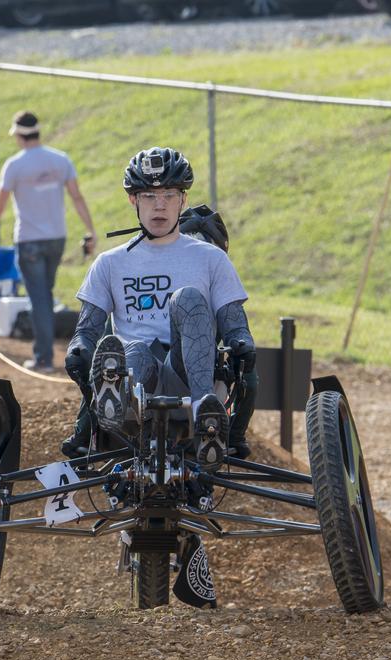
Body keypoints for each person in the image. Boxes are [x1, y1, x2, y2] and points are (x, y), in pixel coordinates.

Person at [62, 147, 257, 608]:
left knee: (189, 300)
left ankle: (204, 415)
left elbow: (235, 324)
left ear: (183, 199)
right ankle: (112, 401)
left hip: (191, 375)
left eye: (169, 194)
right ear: (133, 201)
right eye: (149, 196)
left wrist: (242, 342)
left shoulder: (209, 259)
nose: (160, 205)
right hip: (136, 383)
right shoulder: (110, 263)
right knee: (128, 348)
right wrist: (78, 351)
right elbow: (87, 331)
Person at [0, 111, 97, 373]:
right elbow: (77, 197)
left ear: (18, 135)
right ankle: (48, 351)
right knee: (44, 294)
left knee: (39, 298)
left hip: (29, 239)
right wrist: (90, 229)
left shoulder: (15, 164)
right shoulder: (60, 160)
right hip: (56, 237)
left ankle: (44, 358)